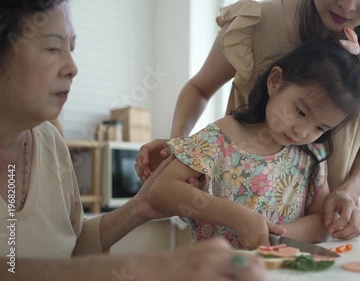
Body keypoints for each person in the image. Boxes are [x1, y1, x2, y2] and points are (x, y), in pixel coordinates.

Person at [0, 1, 266, 280]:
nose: (72, 67)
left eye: (72, 49)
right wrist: (143, 268)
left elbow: (72, 246)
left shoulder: (49, 141)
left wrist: (139, 208)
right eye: (52, 49)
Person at [135, 0, 360, 240]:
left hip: (327, 223)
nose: (347, 4)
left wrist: (345, 194)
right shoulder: (257, 21)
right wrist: (180, 148)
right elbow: (199, 89)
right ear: (275, 80)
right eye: (300, 112)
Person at [148, 37, 360, 250]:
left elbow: (322, 222)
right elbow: (161, 189)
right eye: (301, 112)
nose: (302, 131)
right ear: (275, 81)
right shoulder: (223, 136)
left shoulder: (311, 154)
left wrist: (271, 234)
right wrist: (238, 217)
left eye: (320, 128)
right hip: (214, 271)